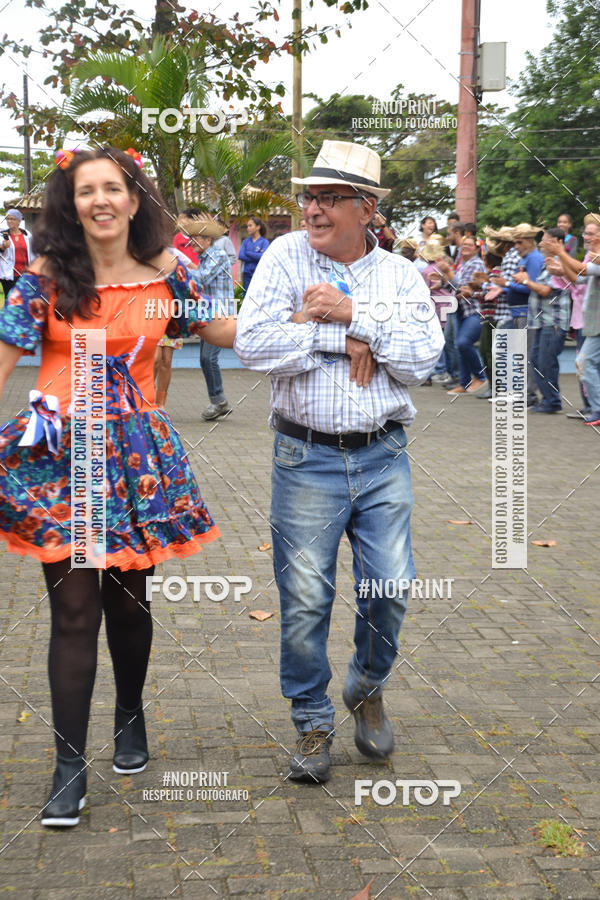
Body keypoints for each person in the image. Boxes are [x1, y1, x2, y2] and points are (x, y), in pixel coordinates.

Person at [0, 146, 236, 827]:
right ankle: (67, 764)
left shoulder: (167, 277)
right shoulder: (42, 280)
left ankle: (129, 714)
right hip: (61, 456)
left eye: (113, 188)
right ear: (70, 206)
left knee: (128, 606)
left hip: (136, 460)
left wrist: (308, 324)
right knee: (73, 612)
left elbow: (221, 328)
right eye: (85, 190)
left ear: (134, 201)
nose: (99, 200)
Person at [234, 139, 444, 783]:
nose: (313, 210)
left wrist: (358, 317)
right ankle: (311, 722)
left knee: (391, 588)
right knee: (303, 601)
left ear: (366, 208)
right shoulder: (282, 256)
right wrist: (342, 336)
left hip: (383, 457)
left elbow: (422, 360)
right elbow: (252, 345)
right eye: (310, 197)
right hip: (304, 457)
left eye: (330, 198)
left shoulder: (402, 274)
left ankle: (367, 686)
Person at [176, 212, 235, 420]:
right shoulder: (206, 257)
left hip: (220, 314)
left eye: (195, 238)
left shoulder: (216, 255)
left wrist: (178, 268)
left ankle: (219, 401)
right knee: (205, 358)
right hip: (211, 314)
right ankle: (218, 400)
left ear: (207, 239)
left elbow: (202, 279)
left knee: (208, 358)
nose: (191, 243)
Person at [546, 220, 600, 426]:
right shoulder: (593, 256)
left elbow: (584, 271)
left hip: (594, 322)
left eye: (590, 233)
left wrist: (560, 252)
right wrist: (561, 270)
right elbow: (579, 278)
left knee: (584, 362)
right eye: (585, 233)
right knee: (585, 363)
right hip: (593, 322)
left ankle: (597, 408)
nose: (585, 237)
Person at [517, 227, 571, 413]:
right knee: (537, 360)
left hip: (553, 322)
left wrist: (525, 281)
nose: (540, 243)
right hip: (541, 322)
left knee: (546, 362)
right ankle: (548, 399)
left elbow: (546, 290)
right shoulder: (545, 263)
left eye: (545, 240)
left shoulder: (557, 263)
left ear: (557, 242)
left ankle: (552, 401)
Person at [506, 223, 545, 407]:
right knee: (521, 354)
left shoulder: (534, 259)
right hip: (520, 312)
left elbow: (531, 286)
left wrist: (508, 284)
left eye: (519, 242)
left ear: (530, 241)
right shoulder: (527, 258)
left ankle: (529, 396)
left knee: (526, 354)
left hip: (527, 311)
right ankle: (524, 393)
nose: (516, 246)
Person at [446, 236, 487, 394]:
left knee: (464, 343)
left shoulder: (476, 263)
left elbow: (462, 285)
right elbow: (454, 287)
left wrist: (447, 272)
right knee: (459, 346)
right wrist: (443, 280)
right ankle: (464, 383)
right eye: (463, 245)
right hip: (461, 311)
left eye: (470, 245)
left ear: (477, 249)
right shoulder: (462, 264)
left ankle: (480, 375)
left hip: (475, 310)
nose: (466, 247)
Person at [0, 209, 35, 298]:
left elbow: (33, 252)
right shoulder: (2, 235)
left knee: (25, 300)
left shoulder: (27, 234)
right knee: (10, 300)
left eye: (12, 219)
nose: (9, 221)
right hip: (9, 275)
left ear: (19, 221)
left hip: (25, 274)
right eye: (8, 219)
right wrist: (3, 247)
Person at [238, 216, 269, 294]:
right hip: (247, 275)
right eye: (247, 226)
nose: (248, 228)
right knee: (246, 297)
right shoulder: (245, 241)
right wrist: (256, 255)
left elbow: (263, 257)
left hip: (259, 274)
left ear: (258, 227)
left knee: (258, 297)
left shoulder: (264, 242)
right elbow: (241, 256)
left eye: (250, 225)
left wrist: (248, 253)